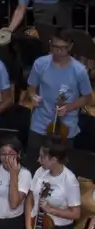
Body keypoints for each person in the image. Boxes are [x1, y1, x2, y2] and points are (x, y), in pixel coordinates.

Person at [25, 30, 92, 161]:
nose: (59, 51)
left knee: (62, 165)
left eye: (63, 48)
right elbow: (31, 88)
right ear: (50, 44)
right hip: (40, 122)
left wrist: (68, 107)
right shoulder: (40, 63)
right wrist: (33, 96)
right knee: (32, 162)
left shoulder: (79, 70)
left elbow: (88, 98)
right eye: (55, 47)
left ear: (70, 46)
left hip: (65, 127)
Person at [27, 138, 83, 229]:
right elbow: (30, 198)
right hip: (38, 227)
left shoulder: (69, 180)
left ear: (54, 159)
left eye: (42, 157)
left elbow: (76, 213)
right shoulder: (40, 172)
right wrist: (28, 227)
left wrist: (51, 210)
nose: (38, 160)